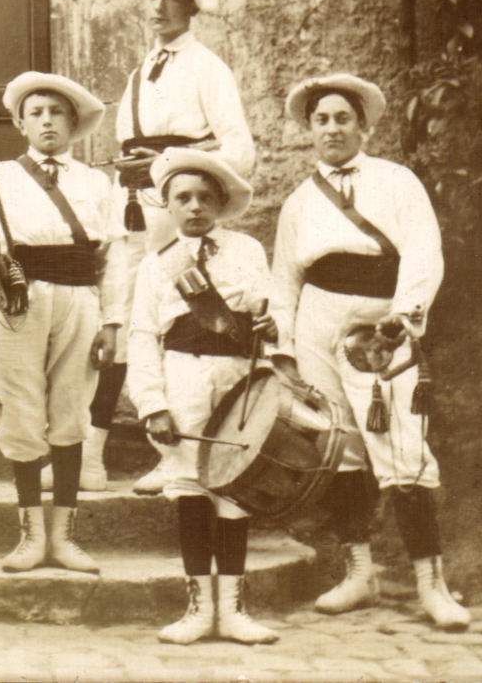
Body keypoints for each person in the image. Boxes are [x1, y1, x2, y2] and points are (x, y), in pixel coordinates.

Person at [271, 73, 469, 630]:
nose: (331, 128)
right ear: (308, 131)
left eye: (342, 118)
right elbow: (283, 280)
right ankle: (359, 572)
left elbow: (424, 252)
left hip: (379, 327)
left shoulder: (396, 182)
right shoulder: (298, 203)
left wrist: (402, 320)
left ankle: (433, 584)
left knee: (402, 447)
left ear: (363, 126)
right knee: (340, 446)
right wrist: (283, 351)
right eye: (321, 120)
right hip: (318, 322)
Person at [0, 73, 126, 573]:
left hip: (79, 298)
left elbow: (114, 257)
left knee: (71, 407)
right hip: (18, 302)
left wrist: (113, 321)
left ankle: (65, 535)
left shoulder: (96, 183)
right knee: (20, 410)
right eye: (37, 113)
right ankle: (30, 533)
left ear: (74, 124)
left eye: (57, 113)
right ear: (19, 123)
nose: (48, 121)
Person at [126, 148, 284, 644]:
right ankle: (198, 607)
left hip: (238, 380)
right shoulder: (157, 265)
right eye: (183, 198)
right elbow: (141, 336)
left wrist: (272, 326)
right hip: (183, 379)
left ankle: (233, 609)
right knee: (192, 489)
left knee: (234, 489)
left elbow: (270, 309)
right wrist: (152, 404)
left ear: (220, 203)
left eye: (205, 198)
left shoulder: (248, 250)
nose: (194, 207)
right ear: (169, 206)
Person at [112, 0, 256, 496]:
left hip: (183, 212)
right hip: (141, 210)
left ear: (190, 5)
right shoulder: (138, 72)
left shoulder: (207, 69)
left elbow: (239, 148)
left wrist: (180, 161)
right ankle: (166, 451)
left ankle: (197, 455)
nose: (157, 6)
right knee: (142, 321)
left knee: (189, 322)